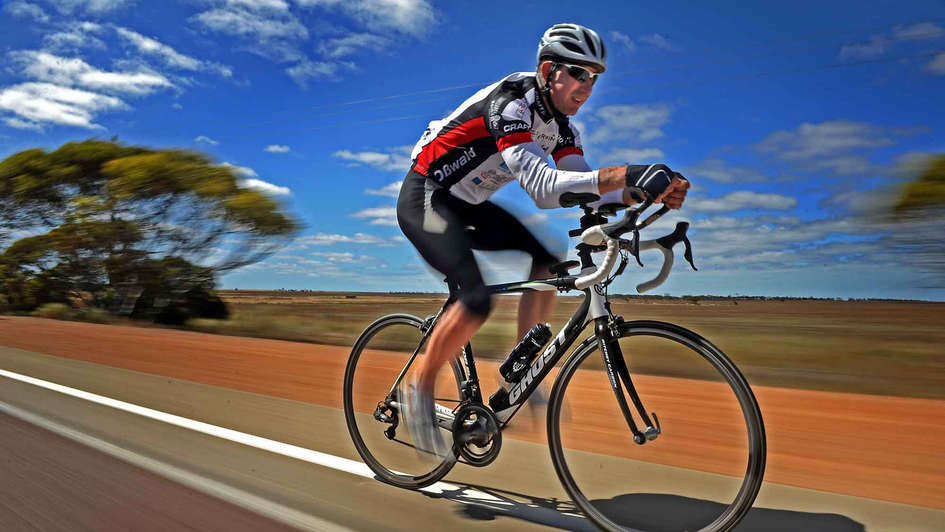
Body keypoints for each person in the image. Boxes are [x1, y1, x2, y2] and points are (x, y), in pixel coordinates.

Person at [396, 23, 690, 457]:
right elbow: (545, 188)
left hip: (469, 204)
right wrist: (629, 173)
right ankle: (417, 390)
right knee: (476, 299)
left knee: (548, 261)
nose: (588, 87)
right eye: (580, 74)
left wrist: (644, 192)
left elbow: (584, 187)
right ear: (550, 70)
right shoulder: (512, 102)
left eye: (595, 78)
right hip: (428, 195)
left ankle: (516, 372)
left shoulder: (563, 128)